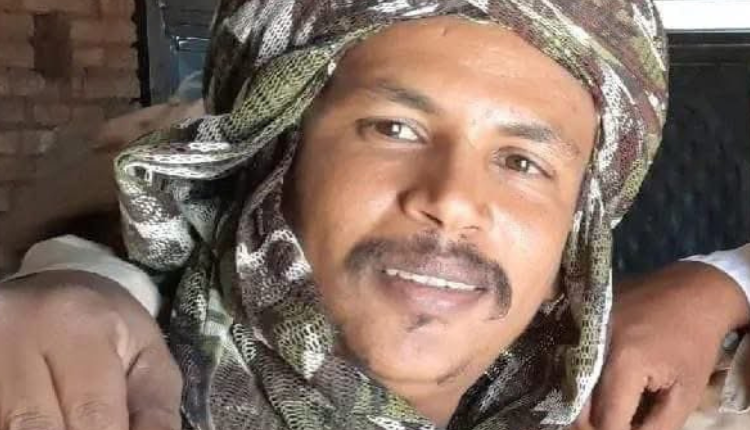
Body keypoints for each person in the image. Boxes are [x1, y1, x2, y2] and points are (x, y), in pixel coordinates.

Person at [0, 1, 734, 429]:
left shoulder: (634, 401)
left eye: (521, 162)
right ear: (270, 155)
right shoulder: (77, 387)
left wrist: (721, 282)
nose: (451, 199)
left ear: (576, 235)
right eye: (393, 129)